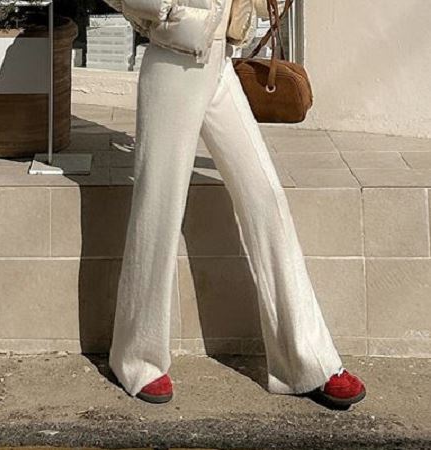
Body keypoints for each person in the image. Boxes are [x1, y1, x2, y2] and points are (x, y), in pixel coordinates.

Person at [104, 0, 366, 408]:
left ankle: (307, 361)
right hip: (175, 63)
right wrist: (169, 13)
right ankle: (138, 360)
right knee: (158, 211)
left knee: (266, 199)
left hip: (221, 64)